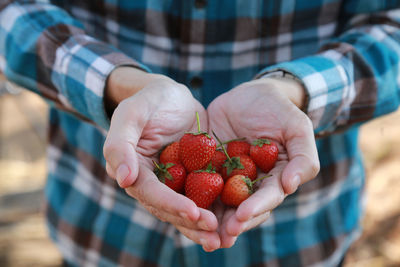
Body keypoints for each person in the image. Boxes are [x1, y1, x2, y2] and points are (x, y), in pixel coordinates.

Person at [0, 0, 399, 266]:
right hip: (101, 231)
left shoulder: (216, 161)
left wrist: (297, 91)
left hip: (303, 239)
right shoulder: (219, 161)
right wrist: (117, 83)